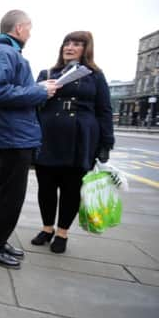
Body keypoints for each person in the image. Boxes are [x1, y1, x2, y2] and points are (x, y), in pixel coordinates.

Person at [0, 10, 56, 269]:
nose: (30, 34)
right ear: (20, 28)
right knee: (10, 197)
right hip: (12, 137)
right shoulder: (4, 52)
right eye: (29, 29)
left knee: (8, 195)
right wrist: (40, 90)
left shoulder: (8, 52)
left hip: (14, 135)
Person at [31, 31, 114, 253]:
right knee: (46, 186)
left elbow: (104, 110)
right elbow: (32, 104)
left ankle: (62, 232)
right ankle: (47, 228)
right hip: (49, 136)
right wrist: (39, 90)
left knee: (71, 188)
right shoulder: (47, 72)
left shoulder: (95, 75)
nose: (69, 47)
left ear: (86, 48)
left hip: (81, 139)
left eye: (76, 44)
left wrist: (106, 143)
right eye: (66, 43)